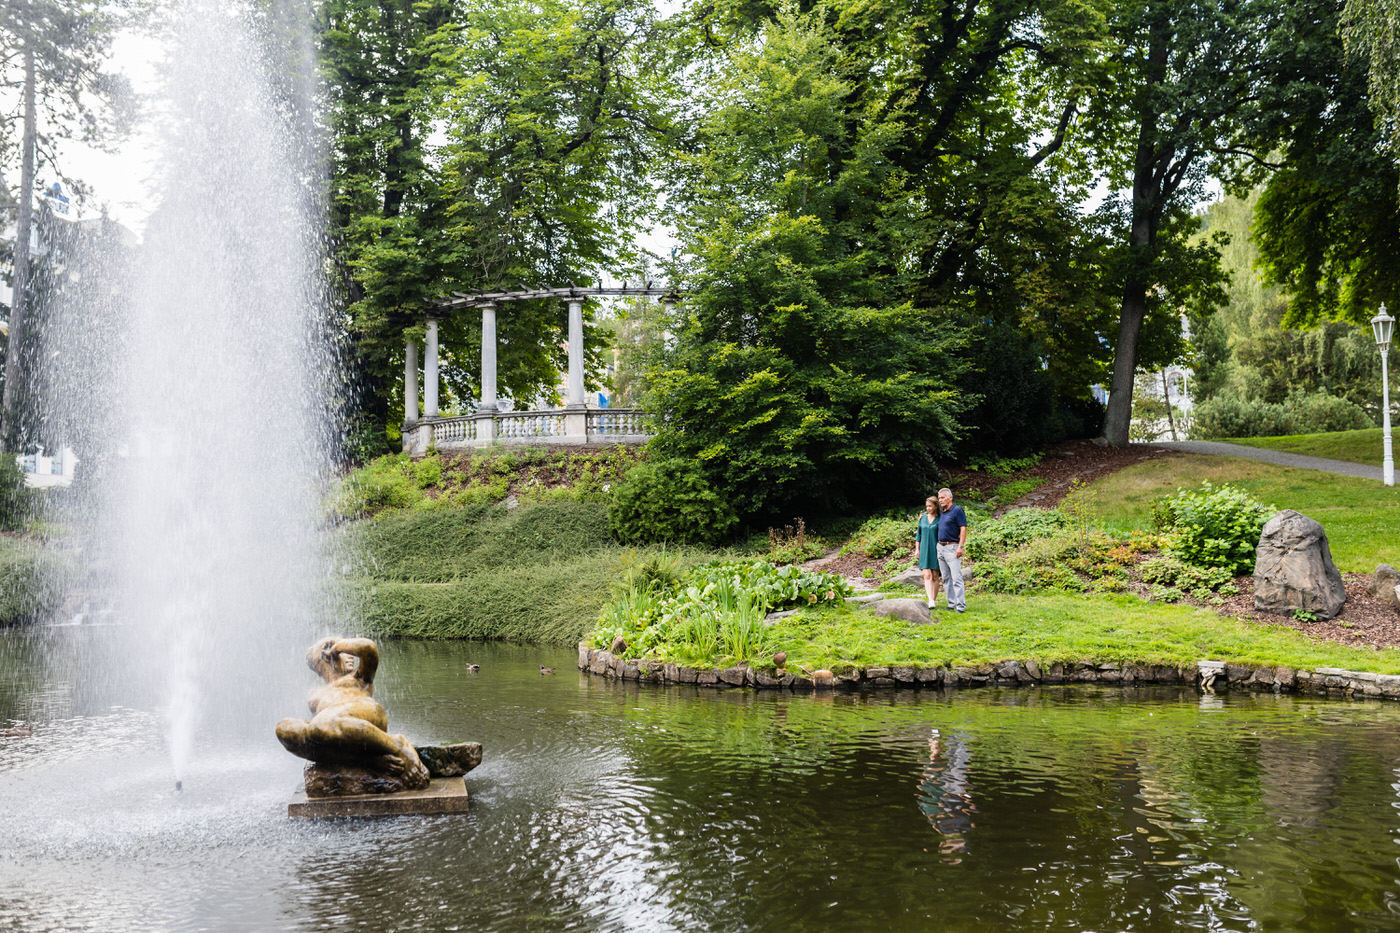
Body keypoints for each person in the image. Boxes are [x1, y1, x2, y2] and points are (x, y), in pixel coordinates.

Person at [275, 636, 429, 787]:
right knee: (284, 728)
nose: (350, 655)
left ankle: (398, 745)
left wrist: (338, 646)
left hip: (363, 714)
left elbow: (368, 647)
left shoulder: (358, 677)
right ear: (324, 657)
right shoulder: (315, 695)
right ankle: (365, 760)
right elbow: (317, 737)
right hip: (334, 729)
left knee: (322, 725)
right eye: (338, 650)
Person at [935, 487, 967, 612]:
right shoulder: (942, 512)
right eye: (939, 498)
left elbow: (963, 528)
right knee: (946, 578)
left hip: (952, 547)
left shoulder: (957, 510)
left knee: (956, 578)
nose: (940, 500)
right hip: (940, 547)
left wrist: (960, 546)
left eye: (943, 497)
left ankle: (960, 606)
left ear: (950, 498)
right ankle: (951, 603)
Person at [914, 494, 942, 611]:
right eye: (927, 506)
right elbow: (918, 535)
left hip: (936, 549)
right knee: (927, 575)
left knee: (935, 575)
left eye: (930, 506)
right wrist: (917, 549)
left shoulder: (941, 518)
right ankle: (930, 599)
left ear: (936, 506)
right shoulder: (923, 518)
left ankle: (933, 600)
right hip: (924, 549)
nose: (928, 508)